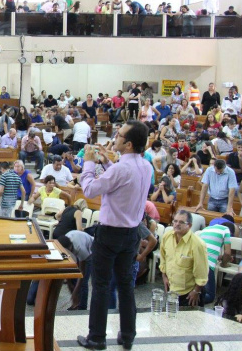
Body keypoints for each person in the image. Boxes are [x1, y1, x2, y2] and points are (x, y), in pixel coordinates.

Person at [76, 121, 153, 351]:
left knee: (100, 284)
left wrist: (89, 163)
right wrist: (106, 161)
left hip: (110, 233)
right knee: (126, 285)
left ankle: (97, 338)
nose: (115, 138)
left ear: (128, 144)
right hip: (131, 234)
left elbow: (89, 189)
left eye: (119, 135)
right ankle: (128, 335)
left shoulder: (121, 169)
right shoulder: (146, 166)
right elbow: (120, 178)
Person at [160, 210, 208, 307]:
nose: (177, 224)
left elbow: (202, 273)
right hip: (172, 289)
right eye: (175, 221)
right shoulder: (167, 237)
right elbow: (163, 258)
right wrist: (164, 276)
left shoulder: (197, 244)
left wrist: (196, 291)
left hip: (190, 293)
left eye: (181, 222)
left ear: (189, 225)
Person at [199, 222, 233, 305]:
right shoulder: (226, 229)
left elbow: (209, 253)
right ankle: (191, 299)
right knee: (210, 296)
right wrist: (224, 264)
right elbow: (228, 253)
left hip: (196, 261)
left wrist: (222, 257)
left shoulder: (206, 229)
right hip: (206, 265)